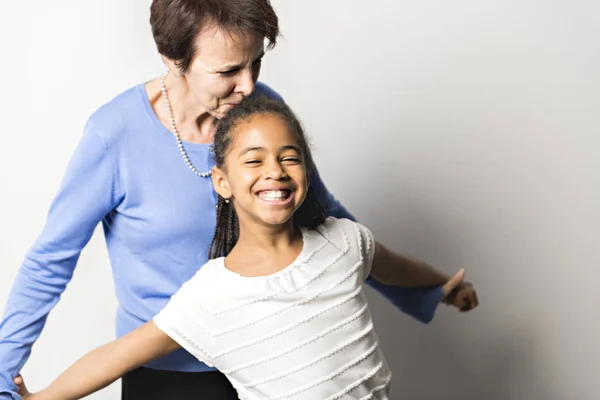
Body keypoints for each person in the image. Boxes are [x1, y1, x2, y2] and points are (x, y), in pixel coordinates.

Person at [0, 0, 477, 399]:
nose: (248, 85)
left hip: (272, 352)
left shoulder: (260, 112)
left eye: (256, 63)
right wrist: (4, 376)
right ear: (172, 59)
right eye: (228, 70)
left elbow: (331, 225)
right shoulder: (114, 135)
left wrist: (431, 289)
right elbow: (50, 261)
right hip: (168, 373)